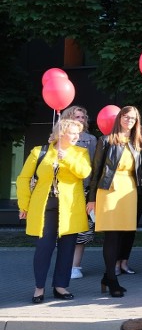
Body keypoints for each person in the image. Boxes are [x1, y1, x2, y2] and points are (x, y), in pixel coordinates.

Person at [16, 118, 92, 303]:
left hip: (71, 207)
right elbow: (23, 178)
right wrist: (24, 204)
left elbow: (84, 173)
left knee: (67, 249)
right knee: (44, 247)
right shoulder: (39, 151)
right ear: (61, 133)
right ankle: (39, 288)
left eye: (77, 133)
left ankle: (60, 286)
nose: (76, 137)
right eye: (72, 133)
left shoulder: (81, 152)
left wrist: (66, 159)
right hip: (44, 205)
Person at [87, 106, 142, 297]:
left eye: (133, 118)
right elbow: (96, 171)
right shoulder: (106, 140)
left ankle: (107, 276)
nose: (129, 120)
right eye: (126, 117)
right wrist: (91, 198)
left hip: (129, 191)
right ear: (119, 118)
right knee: (111, 235)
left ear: (137, 122)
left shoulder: (138, 143)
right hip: (109, 190)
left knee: (121, 236)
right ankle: (112, 279)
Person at [60, 106, 97, 281]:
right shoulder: (58, 140)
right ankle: (63, 264)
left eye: (83, 117)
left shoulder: (91, 140)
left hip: (85, 189)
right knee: (64, 229)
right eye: (77, 116)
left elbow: (94, 168)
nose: (80, 119)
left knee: (83, 231)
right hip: (64, 190)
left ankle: (75, 266)